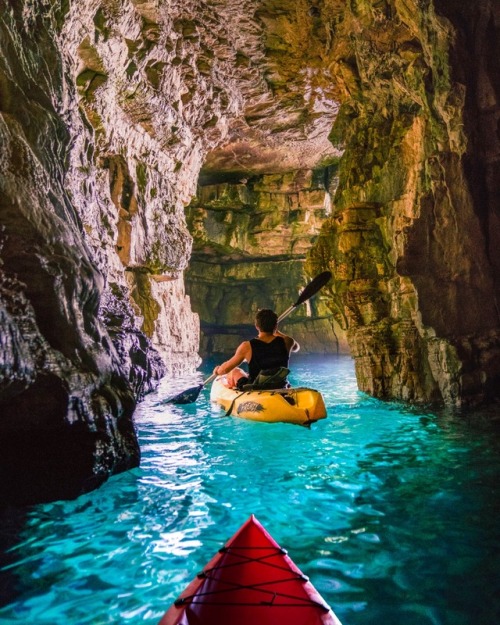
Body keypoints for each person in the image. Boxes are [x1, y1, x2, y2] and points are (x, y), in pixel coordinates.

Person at [213, 309, 299, 389]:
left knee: (235, 371)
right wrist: (275, 331)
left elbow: (225, 369)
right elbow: (296, 348)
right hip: (280, 385)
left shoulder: (247, 346)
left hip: (255, 387)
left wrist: (217, 371)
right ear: (276, 326)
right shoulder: (287, 342)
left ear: (257, 326)